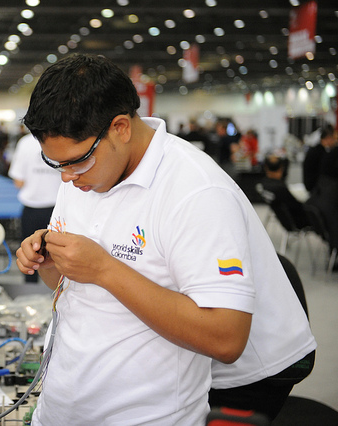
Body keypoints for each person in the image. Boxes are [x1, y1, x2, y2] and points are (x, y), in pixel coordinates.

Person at [16, 54, 316, 425]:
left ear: (121, 128)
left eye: (76, 162)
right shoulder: (86, 173)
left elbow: (225, 338)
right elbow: (72, 286)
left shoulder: (196, 192)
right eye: (56, 164)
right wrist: (51, 262)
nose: (66, 178)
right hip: (71, 401)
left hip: (182, 397)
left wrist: (104, 269)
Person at [8, 133, 61, 283]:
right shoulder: (63, 137)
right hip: (58, 209)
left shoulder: (25, 143)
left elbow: (18, 181)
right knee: (59, 258)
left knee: (30, 258)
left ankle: (30, 290)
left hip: (32, 209)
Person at [256, 154, 309, 229]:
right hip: (298, 222)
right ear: (281, 168)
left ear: (266, 167)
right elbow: (297, 207)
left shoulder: (264, 186)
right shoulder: (280, 189)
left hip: (285, 221)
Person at [303, 124, 337, 192]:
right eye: (334, 139)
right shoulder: (320, 153)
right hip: (315, 188)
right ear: (328, 138)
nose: (335, 142)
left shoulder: (316, 150)